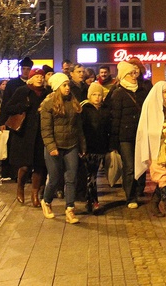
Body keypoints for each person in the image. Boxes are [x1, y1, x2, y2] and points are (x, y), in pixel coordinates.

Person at [40, 72, 87, 223]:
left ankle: (70, 209)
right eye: (64, 85)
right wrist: (51, 146)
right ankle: (46, 201)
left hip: (71, 144)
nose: (68, 88)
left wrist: (82, 145)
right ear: (57, 87)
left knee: (71, 177)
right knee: (54, 178)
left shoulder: (73, 102)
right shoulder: (48, 103)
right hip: (55, 146)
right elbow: (46, 129)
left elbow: (79, 127)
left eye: (68, 85)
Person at [136, 81, 166, 225]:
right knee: (162, 176)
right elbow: (146, 128)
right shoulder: (151, 107)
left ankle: (154, 202)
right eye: (165, 92)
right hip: (157, 146)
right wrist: (161, 132)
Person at [6, 68, 50, 206]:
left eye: (42, 76)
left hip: (41, 134)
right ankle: (20, 187)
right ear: (31, 78)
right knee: (24, 166)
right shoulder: (22, 91)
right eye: (36, 76)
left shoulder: (47, 94)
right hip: (24, 135)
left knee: (39, 166)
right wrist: (23, 106)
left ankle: (34, 193)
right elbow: (8, 108)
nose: (40, 79)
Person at [110, 61, 149, 208]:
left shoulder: (142, 91)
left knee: (141, 164)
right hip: (125, 136)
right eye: (130, 73)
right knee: (129, 167)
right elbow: (115, 118)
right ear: (123, 76)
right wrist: (113, 142)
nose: (134, 76)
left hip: (140, 134)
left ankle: (139, 190)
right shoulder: (118, 93)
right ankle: (130, 197)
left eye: (134, 73)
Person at [80, 82, 111, 214]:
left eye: (99, 94)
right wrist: (82, 147)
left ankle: (90, 200)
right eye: (94, 94)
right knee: (90, 176)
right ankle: (94, 201)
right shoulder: (85, 110)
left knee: (93, 175)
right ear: (89, 96)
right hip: (88, 148)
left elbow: (108, 129)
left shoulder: (105, 110)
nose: (97, 97)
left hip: (100, 147)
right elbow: (81, 129)